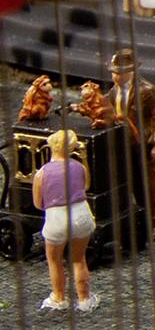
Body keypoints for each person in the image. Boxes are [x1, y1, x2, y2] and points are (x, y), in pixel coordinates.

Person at [109, 48, 155, 240]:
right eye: (114, 73)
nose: (117, 77)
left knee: (151, 186)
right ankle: (139, 221)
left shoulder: (146, 91)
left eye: (121, 73)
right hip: (125, 145)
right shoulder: (113, 92)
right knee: (131, 183)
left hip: (144, 144)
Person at [33, 129, 95, 311]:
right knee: (78, 259)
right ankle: (84, 299)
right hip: (81, 214)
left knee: (54, 260)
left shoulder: (42, 173)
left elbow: (38, 203)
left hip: (57, 218)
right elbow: (86, 186)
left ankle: (59, 298)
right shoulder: (80, 167)